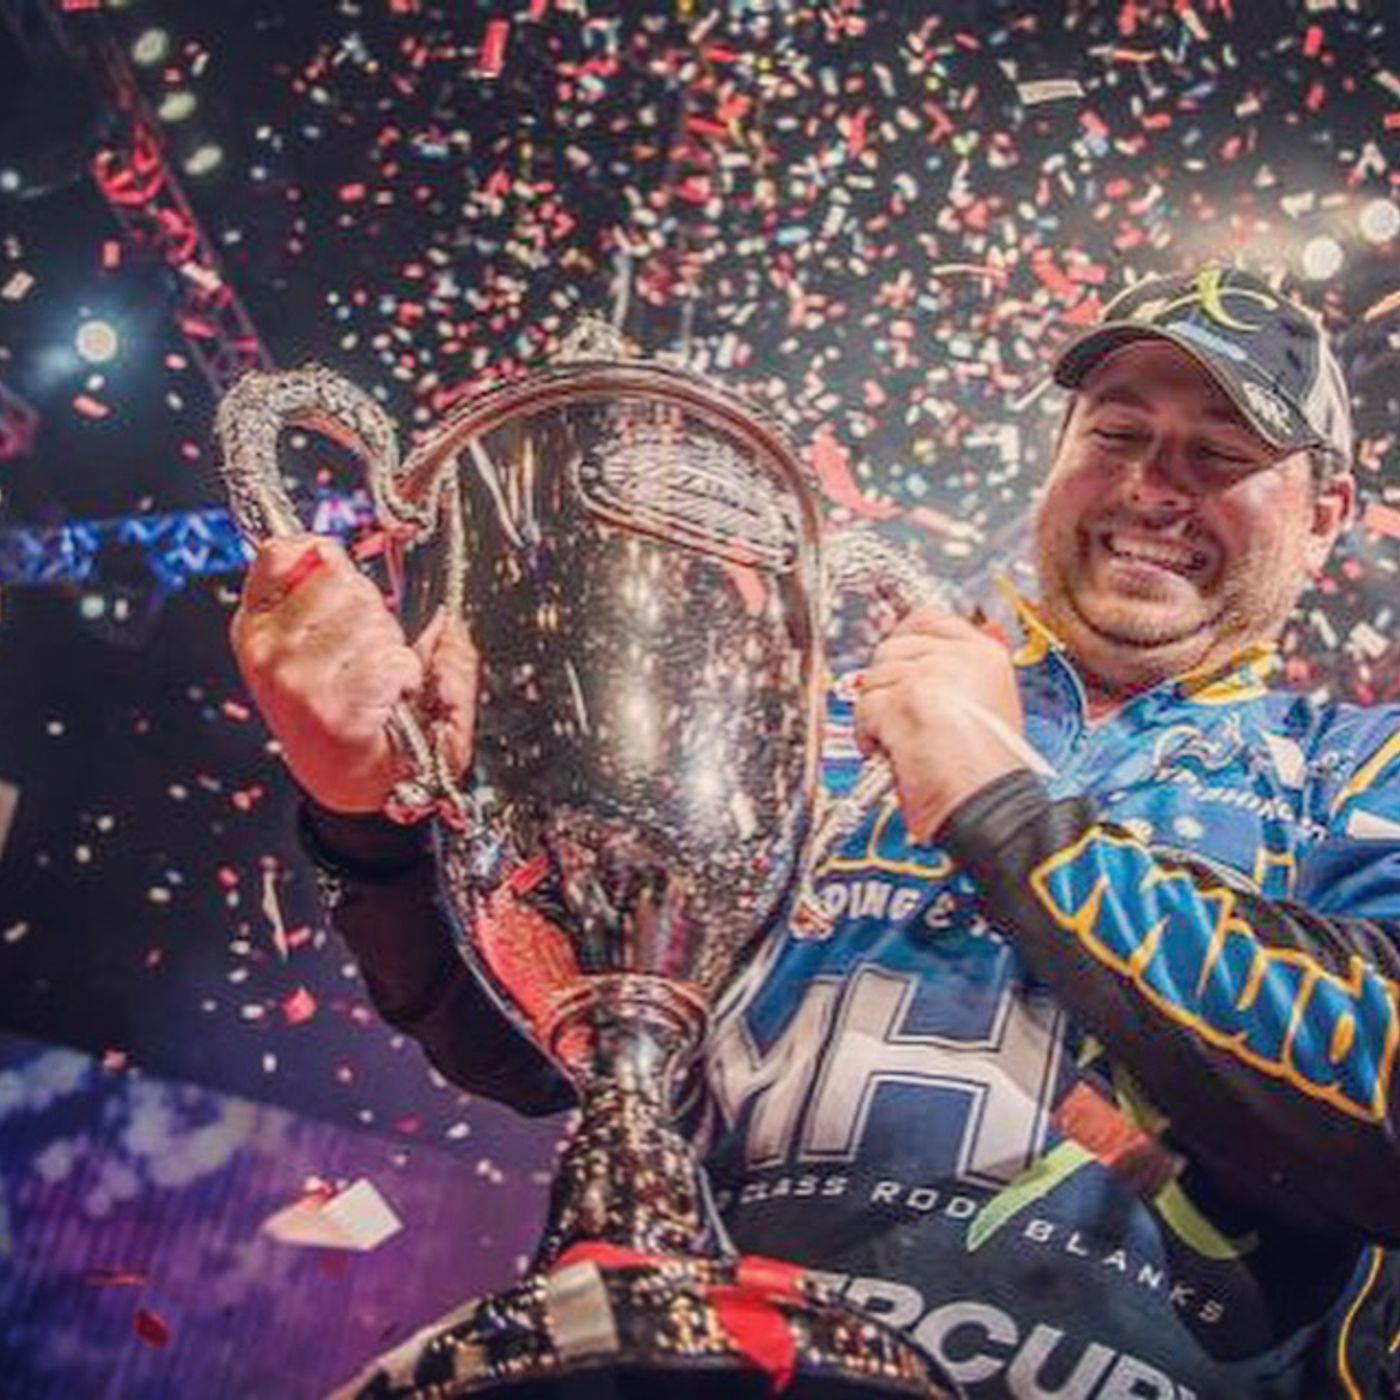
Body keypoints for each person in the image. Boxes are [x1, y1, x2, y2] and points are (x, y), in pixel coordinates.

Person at [232, 265, 1400, 1399]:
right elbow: (548, 1047)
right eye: (1117, 432)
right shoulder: (813, 725)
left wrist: (997, 801)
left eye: (1219, 454)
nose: (1151, 484)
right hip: (716, 1367)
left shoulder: (1354, 768)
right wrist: (363, 815)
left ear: (1322, 519)